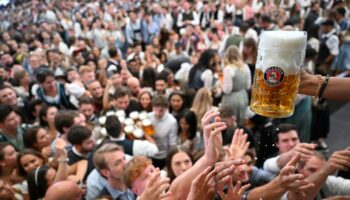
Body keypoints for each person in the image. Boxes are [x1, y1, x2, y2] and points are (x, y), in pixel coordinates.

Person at [221, 46, 251, 125]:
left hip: (231, 99)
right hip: (243, 96)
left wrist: (221, 86)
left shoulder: (228, 69)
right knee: (241, 123)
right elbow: (248, 86)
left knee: (230, 123)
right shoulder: (245, 67)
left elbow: (227, 90)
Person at [148, 95, 178, 169]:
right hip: (149, 154)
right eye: (155, 109)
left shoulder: (172, 121)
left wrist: (170, 160)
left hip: (163, 156)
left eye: (161, 110)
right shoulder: (148, 116)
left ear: (166, 109)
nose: (157, 113)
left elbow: (172, 144)